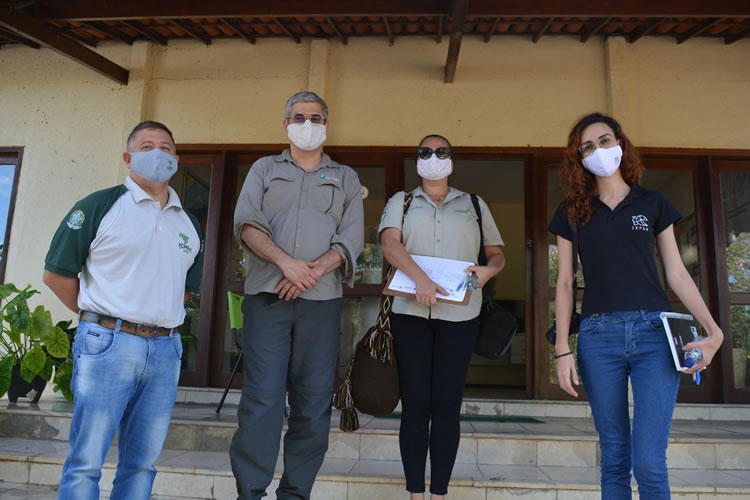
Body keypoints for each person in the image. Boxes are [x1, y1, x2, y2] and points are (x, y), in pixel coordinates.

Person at [549, 112, 723, 499]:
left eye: (605, 140)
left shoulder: (653, 203)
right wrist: (562, 348)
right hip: (597, 337)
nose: (598, 150)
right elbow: (563, 282)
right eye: (587, 146)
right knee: (613, 459)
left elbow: (677, 274)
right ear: (579, 158)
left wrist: (714, 329)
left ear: (621, 144)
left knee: (648, 462)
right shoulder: (572, 211)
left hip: (654, 335)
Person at [43, 120, 204, 500]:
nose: (158, 153)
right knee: (87, 461)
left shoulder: (189, 222)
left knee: (143, 463)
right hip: (107, 344)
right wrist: (99, 316)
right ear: (128, 157)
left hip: (165, 349)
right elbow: (57, 275)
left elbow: (185, 290)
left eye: (166, 147)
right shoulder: (98, 206)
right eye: (147, 146)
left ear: (176, 159)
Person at [230, 91, 364, 499]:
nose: (308, 123)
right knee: (262, 400)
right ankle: (250, 491)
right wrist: (287, 265)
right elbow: (246, 223)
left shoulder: (345, 177)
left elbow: (352, 237)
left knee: (312, 402)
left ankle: (295, 494)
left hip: (321, 305)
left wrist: (311, 272)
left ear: (327, 124)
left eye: (316, 117)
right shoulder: (263, 169)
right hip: (268, 299)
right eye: (300, 116)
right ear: (286, 123)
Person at [379, 134, 505, 500]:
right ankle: (416, 494)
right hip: (410, 313)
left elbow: (497, 254)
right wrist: (421, 280)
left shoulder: (474, 205)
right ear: (417, 160)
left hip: (461, 317)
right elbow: (390, 244)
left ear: (452, 159)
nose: (433, 157)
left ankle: (439, 494)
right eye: (425, 152)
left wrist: (488, 271)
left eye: (441, 151)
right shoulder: (401, 202)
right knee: (415, 405)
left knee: (447, 406)